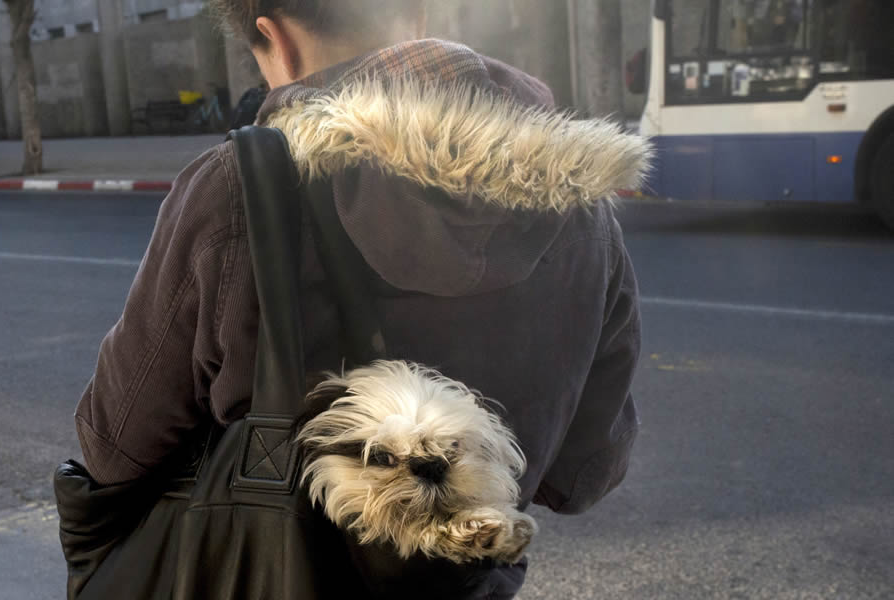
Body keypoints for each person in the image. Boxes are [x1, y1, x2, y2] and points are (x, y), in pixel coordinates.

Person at [74, 1, 649, 597]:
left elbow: (115, 449)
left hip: (272, 572)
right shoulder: (584, 210)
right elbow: (585, 476)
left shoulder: (237, 185)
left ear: (276, 40)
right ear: (419, 17)